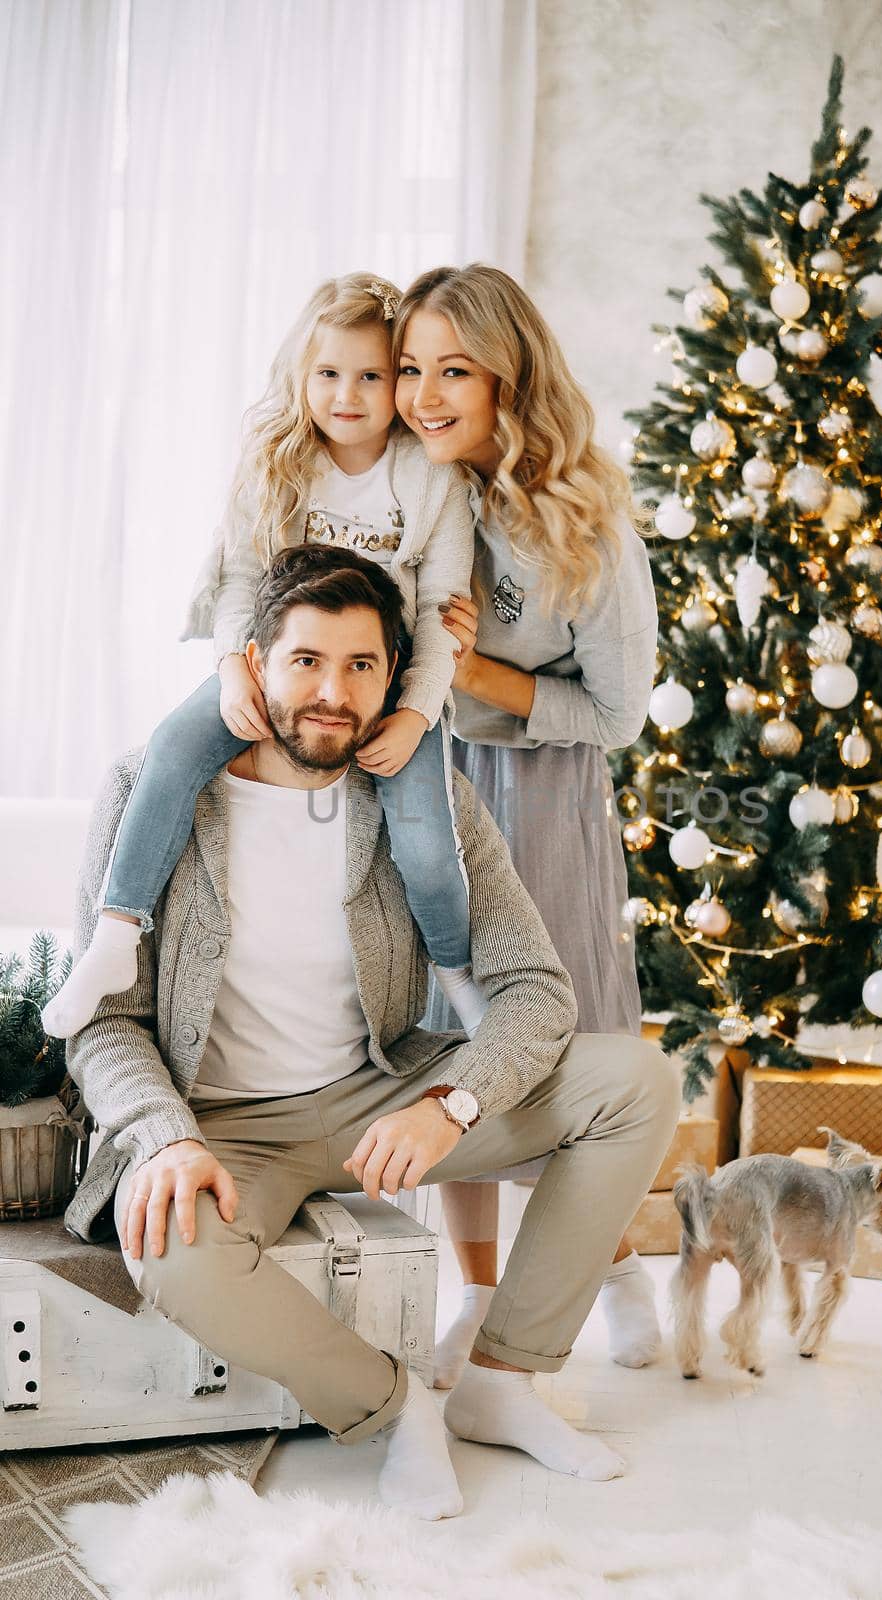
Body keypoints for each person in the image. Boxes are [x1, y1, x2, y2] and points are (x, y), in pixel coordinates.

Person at [63, 544, 681, 1521]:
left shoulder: (418, 798)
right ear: (254, 659)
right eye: (306, 660)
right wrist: (164, 1136)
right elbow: (103, 1020)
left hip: (376, 1095)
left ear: (393, 679)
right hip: (219, 1122)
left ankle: (502, 1378)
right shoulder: (152, 787)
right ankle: (397, 1410)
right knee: (170, 1250)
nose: (332, 693)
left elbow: (535, 990)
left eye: (361, 667)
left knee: (636, 1081)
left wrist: (451, 1104)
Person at [43, 272, 484, 1042]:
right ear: (301, 375)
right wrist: (230, 668)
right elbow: (240, 579)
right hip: (279, 667)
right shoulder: (277, 459)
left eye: (371, 376)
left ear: (398, 382)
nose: (347, 394)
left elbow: (442, 613)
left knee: (426, 836)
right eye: (328, 373)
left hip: (385, 683)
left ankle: (454, 972)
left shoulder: (431, 476)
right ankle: (116, 934)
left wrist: (415, 713)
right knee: (172, 751)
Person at [390, 265, 664, 1381]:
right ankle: (479, 1288)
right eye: (410, 366)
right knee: (453, 1038)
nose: (421, 392)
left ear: (510, 377)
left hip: (540, 800)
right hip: (424, 785)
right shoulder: (405, 491)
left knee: (567, 1036)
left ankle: (614, 1263)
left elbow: (618, 712)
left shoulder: (586, 528)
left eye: (452, 368)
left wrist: (485, 671)